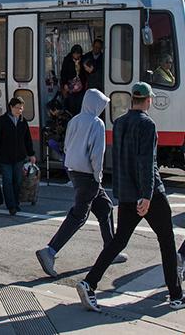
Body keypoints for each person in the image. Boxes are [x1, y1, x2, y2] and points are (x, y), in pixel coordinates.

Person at [76, 82, 184, 312]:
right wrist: (146, 195)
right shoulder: (148, 124)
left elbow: (119, 159)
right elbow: (146, 162)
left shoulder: (120, 122)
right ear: (148, 100)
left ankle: (89, 282)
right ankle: (176, 296)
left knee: (118, 241)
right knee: (167, 240)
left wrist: (124, 192)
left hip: (126, 193)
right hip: (149, 194)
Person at [36, 89, 127, 277]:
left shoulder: (75, 120)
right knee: (79, 215)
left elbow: (67, 146)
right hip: (88, 174)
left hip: (73, 171)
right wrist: (98, 175)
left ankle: (110, 250)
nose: (103, 108)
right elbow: (97, 154)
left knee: (105, 207)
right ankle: (50, 251)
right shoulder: (97, 123)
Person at [0, 96, 36, 216]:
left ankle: (16, 202)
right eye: (18, 108)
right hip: (5, 157)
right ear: (11, 107)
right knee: (8, 181)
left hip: (19, 157)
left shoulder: (23, 121)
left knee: (18, 181)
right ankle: (11, 206)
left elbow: (27, 139)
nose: (20, 111)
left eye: (21, 108)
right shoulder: (2, 120)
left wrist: (31, 154)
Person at [60, 44, 86, 115]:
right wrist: (64, 84)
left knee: (80, 103)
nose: (76, 56)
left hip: (81, 87)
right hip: (70, 86)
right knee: (71, 104)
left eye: (78, 54)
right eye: (75, 54)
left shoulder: (83, 60)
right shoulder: (67, 60)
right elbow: (63, 72)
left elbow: (85, 74)